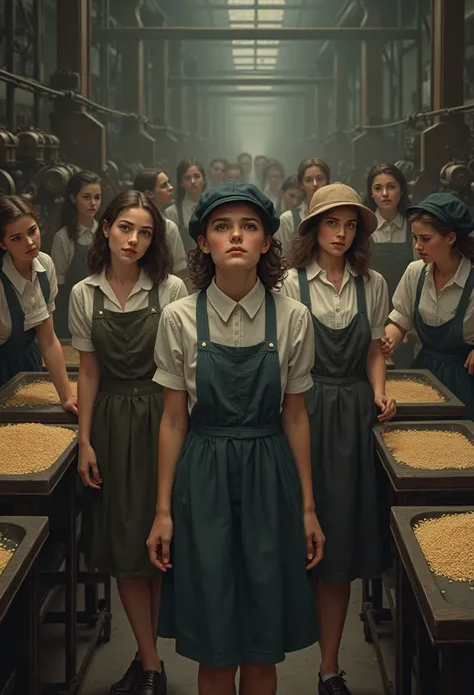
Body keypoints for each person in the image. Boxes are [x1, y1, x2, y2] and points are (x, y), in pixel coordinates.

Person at [147, 183, 324, 695]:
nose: (236, 237)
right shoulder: (180, 317)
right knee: (216, 640)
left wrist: (308, 508)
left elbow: (295, 416)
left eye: (249, 227)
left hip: (271, 472)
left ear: (268, 241)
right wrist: (163, 513)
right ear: (202, 242)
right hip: (203, 474)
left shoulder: (293, 317)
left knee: (262, 640)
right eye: (222, 228)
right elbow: (173, 420)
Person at [70, 191, 188, 695]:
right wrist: (84, 441)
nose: (133, 240)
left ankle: (148, 661)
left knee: (157, 547)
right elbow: (89, 372)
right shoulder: (84, 293)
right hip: (113, 428)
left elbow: (183, 374)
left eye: (144, 232)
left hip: (163, 419)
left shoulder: (171, 290)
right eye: (124, 228)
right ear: (105, 229)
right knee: (123, 546)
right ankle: (150, 662)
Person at [281, 183, 396, 695]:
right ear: (313, 229)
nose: (342, 234)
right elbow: (279, 360)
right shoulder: (287, 283)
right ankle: (269, 661)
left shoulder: (371, 283)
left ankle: (329, 668)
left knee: (340, 548)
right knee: (290, 538)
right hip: (300, 413)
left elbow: (374, 351)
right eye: (332, 223)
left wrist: (379, 393)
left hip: (351, 418)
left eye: (350, 225)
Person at [382, 193, 474, 419]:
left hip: (465, 378)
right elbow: (401, 319)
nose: (417, 246)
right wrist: (385, 343)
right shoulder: (416, 272)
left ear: (451, 238)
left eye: (425, 239)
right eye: (414, 238)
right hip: (424, 374)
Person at [0, 195, 77, 414]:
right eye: (16, 238)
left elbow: (49, 340)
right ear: (2, 243)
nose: (30, 242)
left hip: (29, 365)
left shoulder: (45, 264)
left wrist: (67, 397)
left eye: (32, 231)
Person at [365, 163, 414, 367]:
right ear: (371, 194)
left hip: (406, 311)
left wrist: (406, 327)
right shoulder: (363, 229)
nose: (385, 193)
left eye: (391, 187)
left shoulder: (414, 227)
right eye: (378, 188)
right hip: (370, 309)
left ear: (401, 191)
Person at [51, 171, 102, 337]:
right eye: (86, 197)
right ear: (73, 198)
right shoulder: (63, 237)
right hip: (72, 312)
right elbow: (58, 285)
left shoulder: (106, 233)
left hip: (103, 311)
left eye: (97, 197)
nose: (93, 203)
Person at [133, 168, 187, 279]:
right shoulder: (168, 227)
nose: (170, 187)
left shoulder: (168, 227)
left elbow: (178, 269)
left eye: (169, 183)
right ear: (149, 193)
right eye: (164, 186)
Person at [276, 158, 331, 257]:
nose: (315, 184)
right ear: (301, 184)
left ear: (327, 181)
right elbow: (282, 259)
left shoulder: (338, 213)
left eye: (320, 178)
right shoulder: (288, 219)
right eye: (308, 180)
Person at [165, 159, 206, 253]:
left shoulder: (214, 208)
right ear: (181, 183)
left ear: (203, 179)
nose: (193, 181)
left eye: (197, 176)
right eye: (187, 178)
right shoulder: (172, 212)